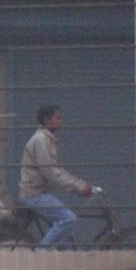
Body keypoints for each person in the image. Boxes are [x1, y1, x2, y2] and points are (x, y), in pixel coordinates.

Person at [19, 104, 99, 250]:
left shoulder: (47, 139)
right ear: (47, 120)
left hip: (40, 193)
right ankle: (41, 253)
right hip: (34, 195)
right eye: (58, 118)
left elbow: (58, 171)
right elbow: (53, 174)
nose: (61, 121)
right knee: (68, 219)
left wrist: (81, 185)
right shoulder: (41, 140)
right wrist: (80, 188)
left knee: (67, 236)